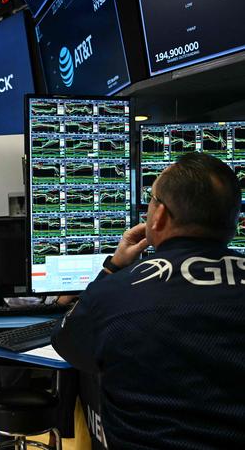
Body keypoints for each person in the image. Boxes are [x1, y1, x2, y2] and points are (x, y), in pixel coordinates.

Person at [52, 152, 245, 448]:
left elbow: (67, 343)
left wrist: (113, 267)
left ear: (160, 216)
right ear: (235, 222)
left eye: (151, 200)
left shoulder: (115, 294)